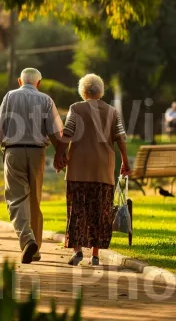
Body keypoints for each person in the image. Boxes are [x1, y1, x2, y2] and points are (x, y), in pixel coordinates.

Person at [54, 74, 130, 266]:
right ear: (100, 91)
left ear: (83, 91)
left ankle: (77, 251)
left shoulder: (76, 108)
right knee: (99, 211)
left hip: (78, 168)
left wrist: (60, 156)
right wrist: (125, 162)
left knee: (76, 209)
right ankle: (95, 255)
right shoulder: (112, 112)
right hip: (103, 170)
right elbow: (120, 138)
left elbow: (67, 134)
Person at [0, 68, 63, 263]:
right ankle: (36, 249)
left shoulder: (9, 97)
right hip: (37, 153)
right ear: (39, 83)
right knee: (34, 200)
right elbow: (56, 132)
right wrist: (60, 154)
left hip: (13, 152)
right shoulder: (46, 100)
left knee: (15, 199)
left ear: (19, 81)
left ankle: (27, 240)